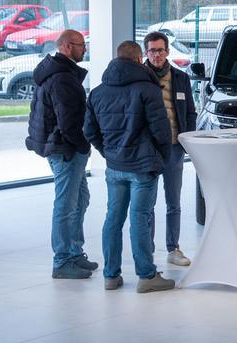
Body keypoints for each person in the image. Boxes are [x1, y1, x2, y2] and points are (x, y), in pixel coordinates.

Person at [83, 40, 174, 293]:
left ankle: (111, 276)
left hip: (115, 166)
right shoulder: (148, 89)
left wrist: (108, 152)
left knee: (113, 218)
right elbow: (161, 131)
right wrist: (161, 156)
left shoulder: (97, 92)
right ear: (138, 59)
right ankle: (146, 276)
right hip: (143, 166)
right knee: (140, 219)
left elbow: (89, 131)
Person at [25, 28, 96, 279]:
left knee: (80, 200)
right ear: (66, 46)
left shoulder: (59, 73)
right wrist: (83, 145)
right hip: (65, 149)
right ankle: (63, 260)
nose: (84, 48)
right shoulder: (62, 78)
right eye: (81, 44)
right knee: (65, 205)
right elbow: (68, 122)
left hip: (63, 147)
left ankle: (74, 252)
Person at [142, 32, 197, 268]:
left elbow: (190, 112)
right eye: (152, 50)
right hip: (149, 151)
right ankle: (147, 251)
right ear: (146, 52)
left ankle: (173, 248)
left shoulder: (180, 78)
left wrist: (187, 140)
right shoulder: (139, 78)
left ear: (167, 51)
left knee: (173, 202)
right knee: (147, 204)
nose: (156, 55)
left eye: (160, 50)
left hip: (174, 149)